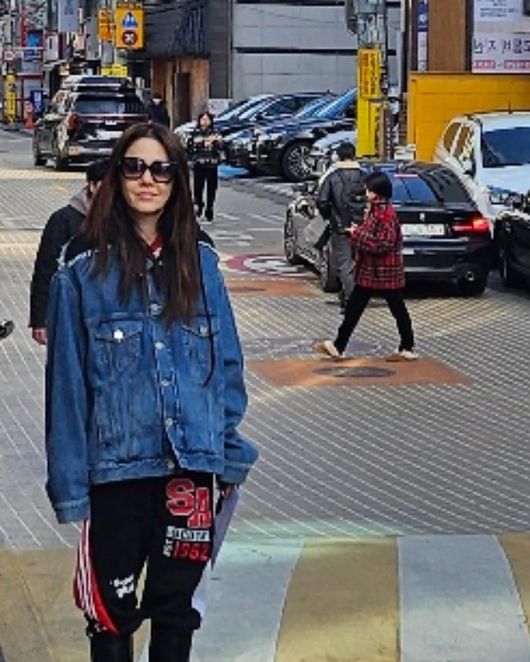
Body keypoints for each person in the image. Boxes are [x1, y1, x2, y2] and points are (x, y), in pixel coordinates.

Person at [45, 122, 258, 662]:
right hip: (115, 478)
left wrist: (227, 454)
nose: (148, 180)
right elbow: (66, 389)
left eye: (161, 169)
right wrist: (71, 488)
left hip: (189, 473)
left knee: (176, 615)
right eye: (134, 167)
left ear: (177, 181)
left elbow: (227, 365)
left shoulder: (201, 263)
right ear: (116, 177)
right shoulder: (80, 268)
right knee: (109, 620)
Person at [314, 170, 417, 362]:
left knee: (395, 307)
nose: (366, 192)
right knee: (357, 307)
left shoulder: (384, 213)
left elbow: (383, 243)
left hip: (383, 270)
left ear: (376, 192)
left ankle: (407, 347)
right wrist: (358, 230)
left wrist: (357, 234)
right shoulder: (376, 210)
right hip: (372, 270)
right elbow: (374, 235)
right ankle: (339, 345)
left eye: (368, 189)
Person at [29, 158, 109, 345]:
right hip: (70, 310)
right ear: (92, 186)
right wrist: (40, 319)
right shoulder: (64, 219)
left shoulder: (124, 221)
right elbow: (45, 269)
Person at [316, 142, 366, 311]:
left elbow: (322, 201)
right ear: (354, 155)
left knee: (345, 265)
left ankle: (351, 301)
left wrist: (330, 216)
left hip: (340, 227)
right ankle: (348, 295)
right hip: (364, 228)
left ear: (338, 156)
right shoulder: (365, 176)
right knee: (360, 264)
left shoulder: (333, 177)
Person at [187, 112, 222, 222]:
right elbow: (191, 146)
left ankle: (209, 207)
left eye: (207, 119)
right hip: (199, 164)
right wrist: (204, 143)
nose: (205, 121)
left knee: (212, 187)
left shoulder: (215, 132)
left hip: (212, 164)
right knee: (198, 187)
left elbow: (220, 145)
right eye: (203, 119)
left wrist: (214, 142)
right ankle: (199, 203)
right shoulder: (195, 133)